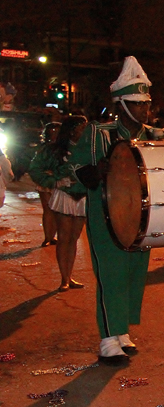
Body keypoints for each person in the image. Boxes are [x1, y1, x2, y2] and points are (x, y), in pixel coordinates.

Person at [70, 56, 164, 365]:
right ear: (121, 104)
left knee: (133, 275)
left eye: (146, 103)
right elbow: (76, 168)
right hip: (106, 217)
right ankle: (107, 338)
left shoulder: (155, 136)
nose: (144, 109)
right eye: (137, 103)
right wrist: (94, 172)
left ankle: (121, 331)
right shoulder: (98, 134)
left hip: (141, 218)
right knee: (111, 274)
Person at [39, 116, 89, 291]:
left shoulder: (88, 148)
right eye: (82, 127)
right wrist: (55, 181)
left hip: (82, 196)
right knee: (64, 238)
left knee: (73, 239)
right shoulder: (56, 150)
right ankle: (64, 279)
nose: (85, 131)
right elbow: (35, 169)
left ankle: (70, 275)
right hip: (65, 196)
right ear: (73, 129)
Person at [28, 122, 61, 247]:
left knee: (55, 210)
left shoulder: (63, 148)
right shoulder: (44, 150)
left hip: (57, 181)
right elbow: (35, 167)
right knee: (48, 210)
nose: (55, 135)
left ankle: (51, 236)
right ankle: (48, 237)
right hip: (47, 182)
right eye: (53, 133)